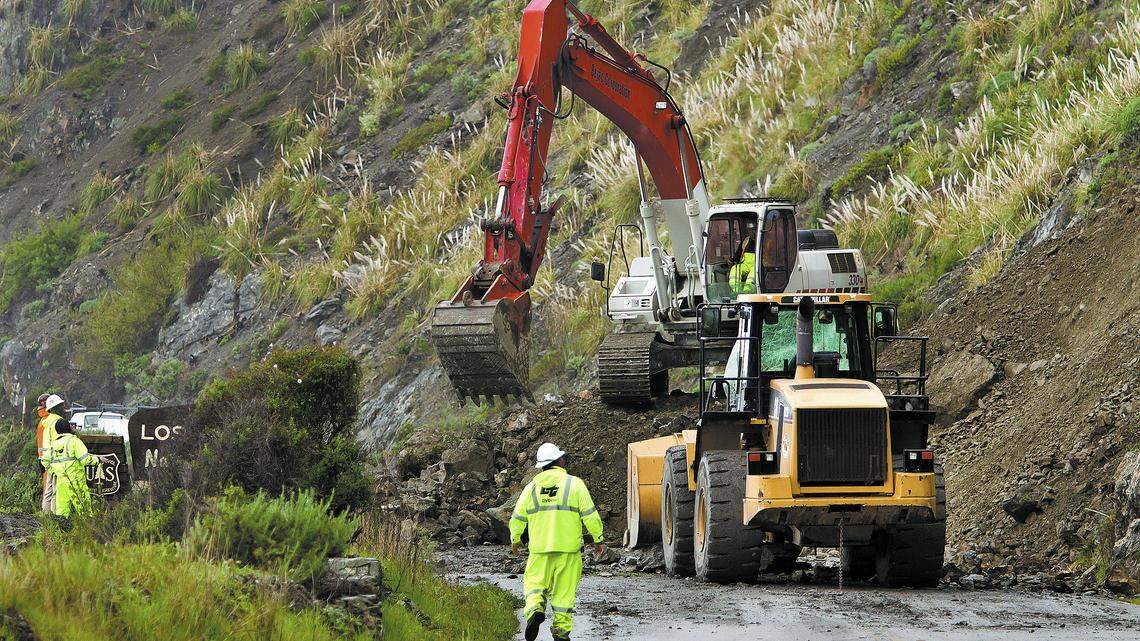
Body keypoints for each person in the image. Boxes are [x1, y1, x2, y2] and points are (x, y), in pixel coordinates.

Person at [510, 443, 604, 641]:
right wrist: (598, 539)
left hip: (539, 550)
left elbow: (517, 517)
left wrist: (515, 540)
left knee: (534, 585)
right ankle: (561, 631)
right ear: (560, 461)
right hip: (568, 551)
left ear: (541, 466)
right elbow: (590, 515)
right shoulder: (574, 484)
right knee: (564, 594)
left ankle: (535, 609)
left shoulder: (531, 488)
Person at [46, 416, 96, 518]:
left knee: (61, 513)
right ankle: (87, 532)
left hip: (61, 482)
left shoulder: (53, 444)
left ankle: (61, 533)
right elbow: (85, 460)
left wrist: (54, 471)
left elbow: (44, 461)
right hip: (76, 481)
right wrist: (98, 460)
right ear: (68, 427)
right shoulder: (74, 441)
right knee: (85, 511)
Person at [35, 393, 67, 513]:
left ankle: (46, 516)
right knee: (53, 490)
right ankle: (52, 518)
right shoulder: (53, 420)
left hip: (45, 459)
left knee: (48, 489)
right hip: (53, 460)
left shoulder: (44, 420)